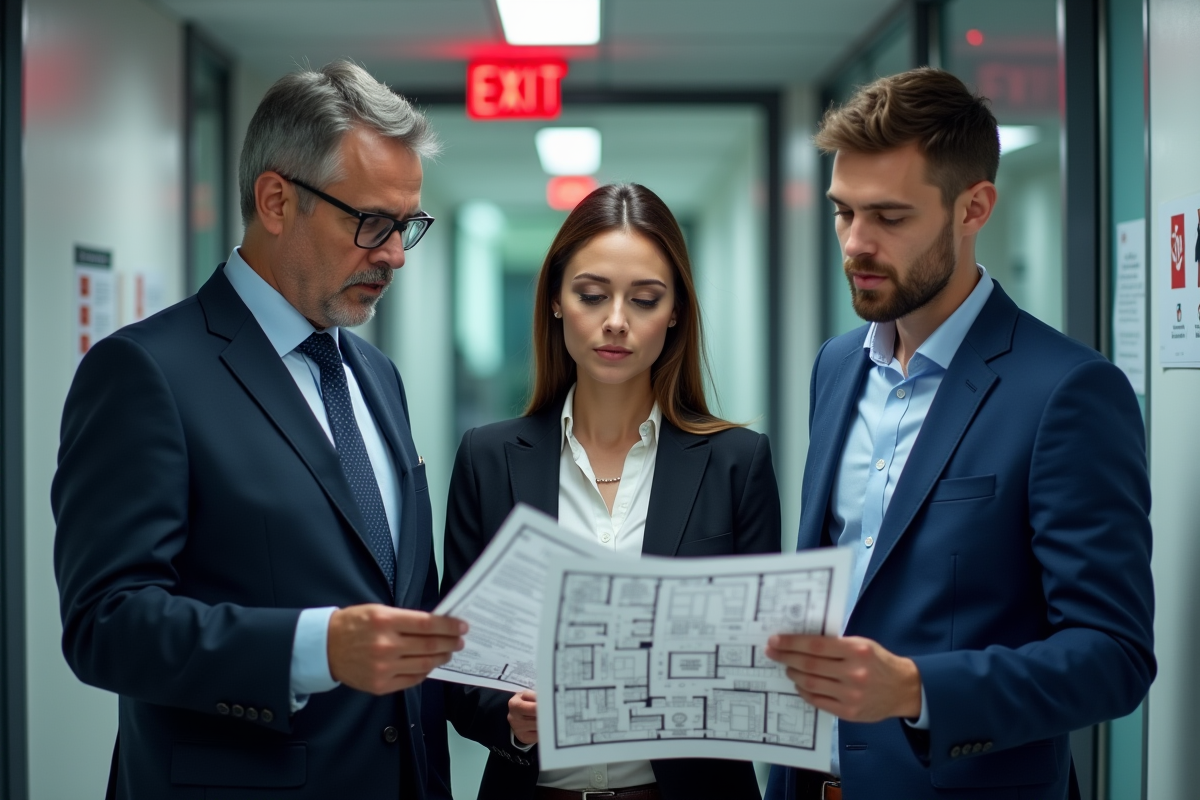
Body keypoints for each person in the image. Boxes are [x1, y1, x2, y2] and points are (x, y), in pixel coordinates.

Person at [52, 61, 466, 800]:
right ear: (276, 200)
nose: (395, 254)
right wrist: (314, 648)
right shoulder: (147, 373)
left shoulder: (377, 376)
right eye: (371, 222)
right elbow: (105, 624)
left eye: (406, 226)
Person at [764, 68, 1155, 800]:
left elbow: (1113, 658)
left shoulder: (1067, 391)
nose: (856, 243)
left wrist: (916, 688)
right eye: (843, 213)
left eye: (889, 216)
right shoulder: (836, 365)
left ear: (973, 208)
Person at [443, 183, 781, 800]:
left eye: (645, 299)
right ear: (554, 301)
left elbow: (759, 669)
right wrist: (513, 722)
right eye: (591, 295)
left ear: (675, 310)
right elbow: (457, 671)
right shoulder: (487, 460)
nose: (616, 321)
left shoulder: (738, 463)